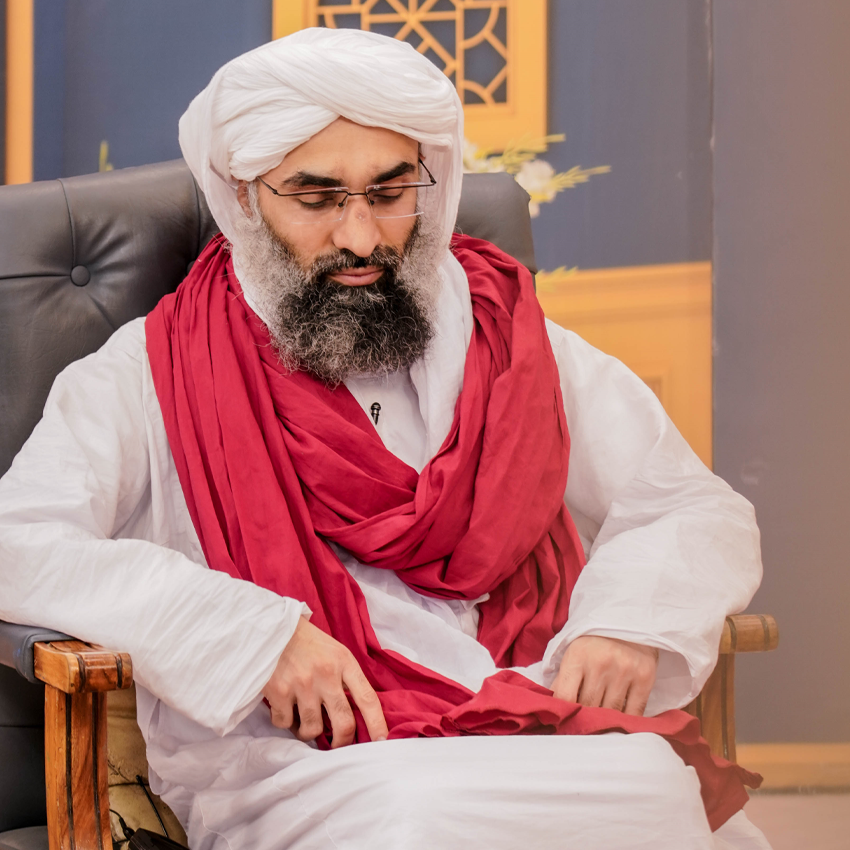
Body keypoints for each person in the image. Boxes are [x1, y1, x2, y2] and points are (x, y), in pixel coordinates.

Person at [0, 28, 772, 850]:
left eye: (390, 191)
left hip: (528, 706)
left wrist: (630, 619)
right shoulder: (150, 370)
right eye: (318, 198)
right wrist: (250, 634)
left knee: (649, 785)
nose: (362, 238)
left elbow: (691, 506)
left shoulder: (507, 340)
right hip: (303, 755)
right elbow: (20, 541)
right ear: (244, 196)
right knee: (420, 816)